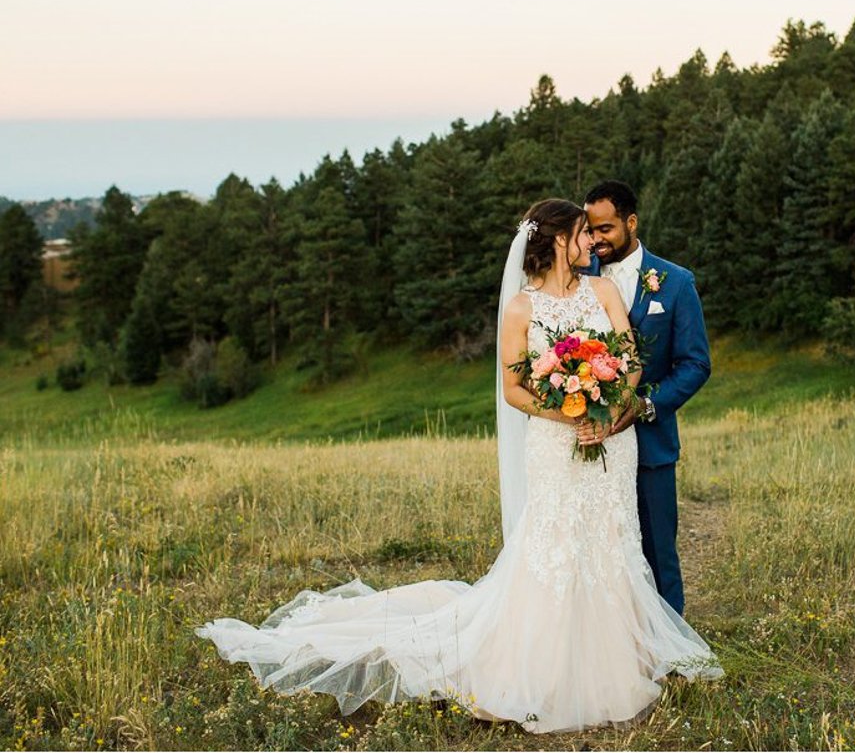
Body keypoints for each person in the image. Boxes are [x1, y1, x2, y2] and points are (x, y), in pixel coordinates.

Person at [195, 198, 722, 734]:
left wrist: (608, 409)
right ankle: (542, 669)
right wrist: (568, 411)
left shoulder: (603, 291)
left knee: (611, 539)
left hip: (611, 441)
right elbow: (516, 390)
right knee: (557, 545)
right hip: (555, 445)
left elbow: (630, 359)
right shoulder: (521, 308)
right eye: (584, 234)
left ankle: (620, 663)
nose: (592, 243)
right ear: (559, 239)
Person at [583, 181, 712, 617]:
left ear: (631, 222)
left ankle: (673, 649)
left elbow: (695, 363)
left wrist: (646, 403)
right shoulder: (576, 283)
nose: (596, 239)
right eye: (590, 230)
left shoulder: (675, 283)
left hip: (652, 444)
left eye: (606, 228)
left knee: (659, 552)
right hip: (590, 444)